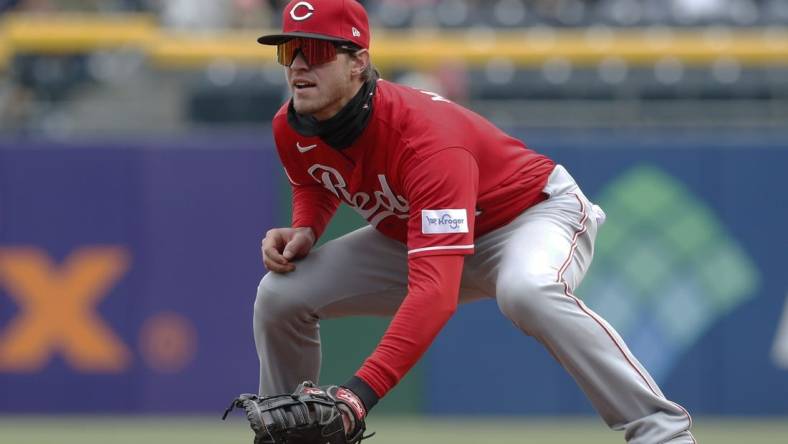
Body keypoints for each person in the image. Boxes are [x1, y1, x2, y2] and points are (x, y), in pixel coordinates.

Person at [253, 1, 696, 442]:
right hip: (419, 231)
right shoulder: (293, 125)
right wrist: (307, 226)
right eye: (289, 49)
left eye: (318, 50)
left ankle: (662, 431)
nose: (299, 64)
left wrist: (358, 395)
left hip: (527, 217)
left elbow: (434, 293)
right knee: (280, 295)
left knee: (527, 291)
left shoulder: (425, 141)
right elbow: (316, 179)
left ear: (358, 63)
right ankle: (289, 439)